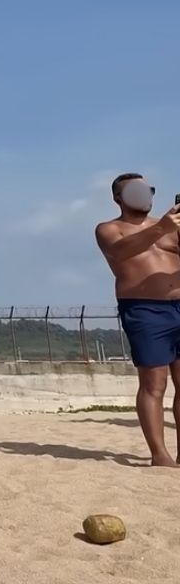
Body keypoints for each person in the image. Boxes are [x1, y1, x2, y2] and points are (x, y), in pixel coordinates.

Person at [93, 173, 180, 467]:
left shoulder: (170, 226)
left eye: (148, 189)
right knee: (155, 383)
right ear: (118, 197)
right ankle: (160, 455)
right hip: (145, 309)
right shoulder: (109, 229)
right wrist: (162, 228)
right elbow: (121, 252)